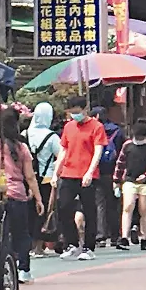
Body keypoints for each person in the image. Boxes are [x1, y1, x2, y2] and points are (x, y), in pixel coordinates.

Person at [0, 109, 45, 283]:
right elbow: (30, 176)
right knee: (21, 233)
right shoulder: (21, 147)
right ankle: (23, 269)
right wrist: (38, 198)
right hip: (17, 195)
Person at [54, 97, 108, 261]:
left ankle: (88, 247)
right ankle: (72, 243)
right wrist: (56, 171)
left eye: (77, 112)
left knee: (89, 210)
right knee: (63, 207)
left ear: (85, 109)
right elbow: (63, 149)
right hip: (68, 172)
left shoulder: (96, 127)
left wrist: (90, 172)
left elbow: (98, 151)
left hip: (87, 174)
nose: (74, 115)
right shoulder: (68, 126)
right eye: (72, 112)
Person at [112, 120, 146, 251]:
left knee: (144, 210)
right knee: (128, 206)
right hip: (129, 180)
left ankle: (145, 238)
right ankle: (124, 237)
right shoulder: (127, 145)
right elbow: (120, 163)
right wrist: (116, 180)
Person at [26, 102, 62, 255]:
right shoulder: (52, 137)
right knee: (43, 211)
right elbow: (61, 155)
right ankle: (39, 246)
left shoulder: (24, 134)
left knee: (29, 212)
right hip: (46, 178)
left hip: (28, 179)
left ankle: (29, 245)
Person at [90, 106, 123, 247]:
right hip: (113, 172)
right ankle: (115, 235)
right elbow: (122, 152)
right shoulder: (117, 131)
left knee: (99, 204)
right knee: (113, 205)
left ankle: (101, 236)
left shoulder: (93, 130)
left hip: (96, 171)